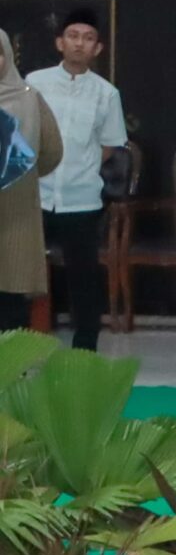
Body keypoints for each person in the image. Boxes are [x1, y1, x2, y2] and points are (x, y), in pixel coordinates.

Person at [29, 8, 125, 350]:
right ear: (60, 42)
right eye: (73, 36)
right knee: (17, 277)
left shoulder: (106, 93)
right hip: (35, 196)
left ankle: (83, 355)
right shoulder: (35, 83)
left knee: (84, 281)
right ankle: (12, 352)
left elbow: (109, 144)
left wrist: (80, 166)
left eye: (88, 38)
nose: (79, 44)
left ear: (97, 48)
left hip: (81, 199)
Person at [0, 34, 63, 332]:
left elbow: (52, 151)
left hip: (17, 211)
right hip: (19, 199)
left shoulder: (29, 98)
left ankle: (13, 360)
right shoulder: (29, 98)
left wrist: (20, 178)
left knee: (13, 296)